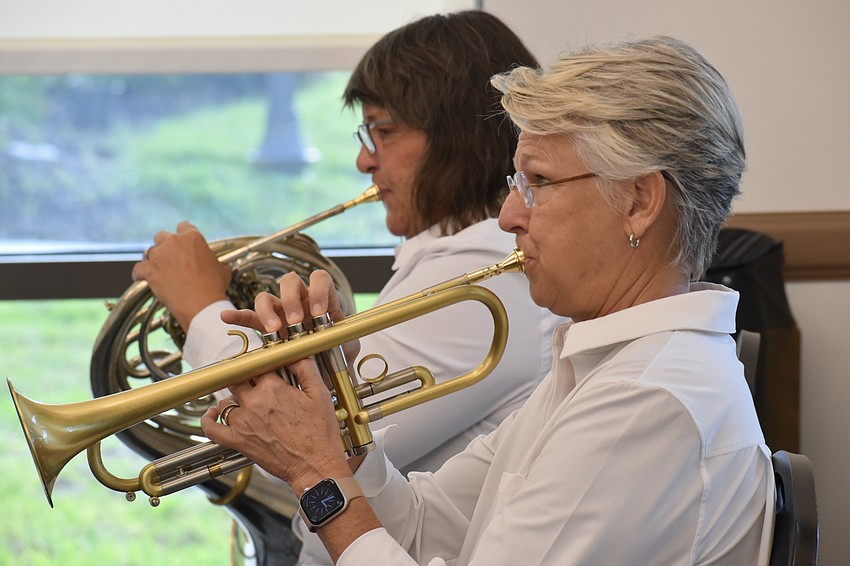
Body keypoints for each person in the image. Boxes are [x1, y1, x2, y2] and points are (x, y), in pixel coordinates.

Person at [202, 35, 775, 565]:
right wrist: (336, 428)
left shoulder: (646, 401)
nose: (508, 216)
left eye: (539, 183)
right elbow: (428, 527)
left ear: (638, 201)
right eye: (514, 184)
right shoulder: (608, 366)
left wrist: (313, 471)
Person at [133, 10, 563, 564]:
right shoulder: (451, 257)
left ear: (457, 137)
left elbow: (302, 433)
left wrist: (200, 307)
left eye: (384, 131)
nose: (364, 159)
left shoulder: (486, 274)